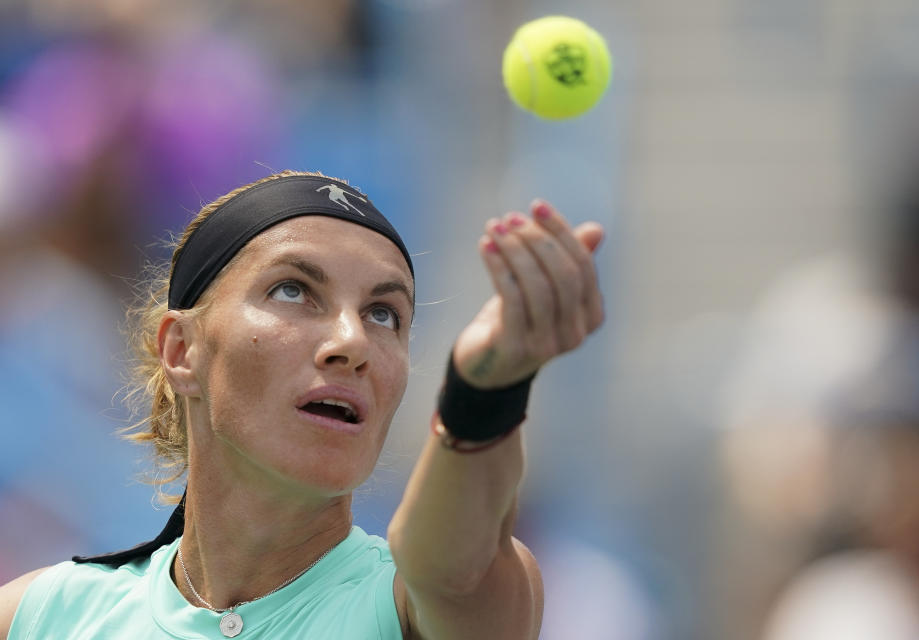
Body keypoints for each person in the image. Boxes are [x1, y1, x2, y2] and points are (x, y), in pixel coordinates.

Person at [0, 169, 605, 639]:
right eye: (293, 290)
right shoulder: (36, 618)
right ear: (181, 350)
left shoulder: (413, 607)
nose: (352, 342)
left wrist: (486, 389)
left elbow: (453, 569)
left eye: (383, 314)